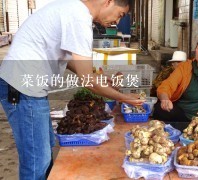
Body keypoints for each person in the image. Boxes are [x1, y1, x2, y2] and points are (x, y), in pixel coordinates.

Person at [0, 0, 144, 179]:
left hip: (28, 88)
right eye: (120, 14)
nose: (116, 20)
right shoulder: (79, 18)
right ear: (108, 2)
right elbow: (87, 81)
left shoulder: (72, 10)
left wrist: (97, 78)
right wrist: (124, 97)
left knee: (44, 151)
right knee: (37, 160)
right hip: (23, 88)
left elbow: (70, 61)